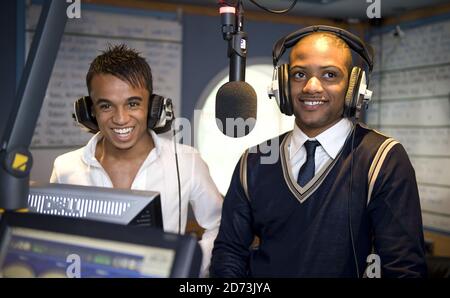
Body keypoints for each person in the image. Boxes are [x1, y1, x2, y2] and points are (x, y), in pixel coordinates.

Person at [210, 26, 427, 277]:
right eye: (299, 74)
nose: (311, 87)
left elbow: (403, 269)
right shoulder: (255, 160)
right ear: (282, 85)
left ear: (354, 89)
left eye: (330, 75)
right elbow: (229, 253)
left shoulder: (384, 158)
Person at [50, 44, 223, 277]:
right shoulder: (65, 167)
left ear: (153, 107)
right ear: (90, 112)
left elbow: (220, 225)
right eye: (106, 106)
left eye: (133, 104)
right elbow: (51, 238)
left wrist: (188, 265)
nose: (121, 119)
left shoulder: (186, 162)